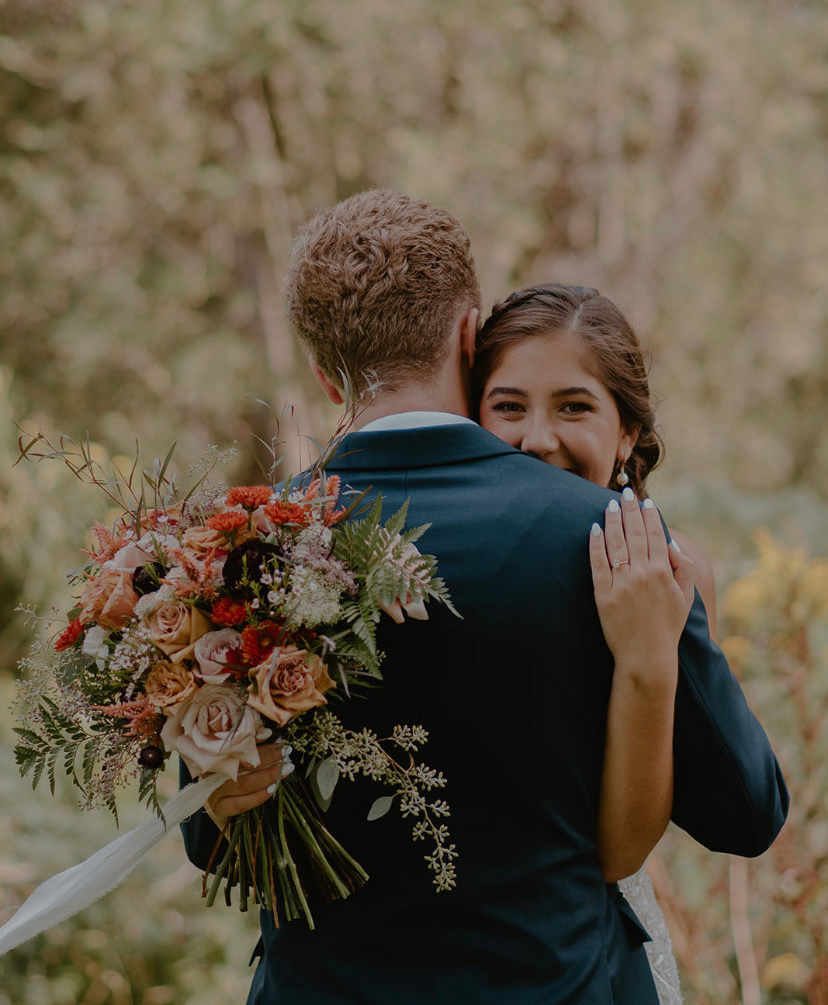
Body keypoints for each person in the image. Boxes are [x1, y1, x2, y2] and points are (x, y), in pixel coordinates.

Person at [181, 190, 788, 1005]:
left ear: (326, 379)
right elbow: (747, 816)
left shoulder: (244, 555)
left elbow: (211, 836)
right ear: (470, 337)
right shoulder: (619, 547)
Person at [473, 281, 717, 1005]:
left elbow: (622, 849)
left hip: (578, 950)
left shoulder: (678, 573)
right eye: (508, 406)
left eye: (573, 406)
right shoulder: (428, 561)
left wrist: (649, 658)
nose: (537, 438)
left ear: (626, 435)